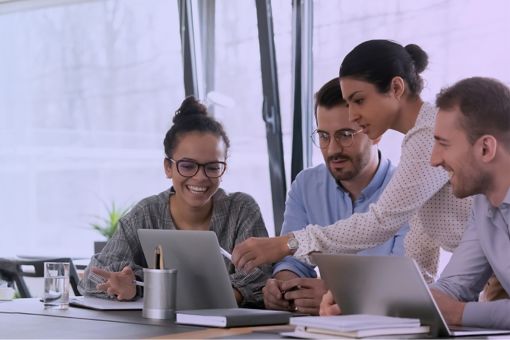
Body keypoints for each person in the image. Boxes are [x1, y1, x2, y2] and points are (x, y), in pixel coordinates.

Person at [232, 40, 472, 284]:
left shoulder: (429, 134)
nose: (353, 115)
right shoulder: (418, 140)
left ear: (396, 88)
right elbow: (420, 252)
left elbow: (381, 222)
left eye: (358, 101)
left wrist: (289, 243)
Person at [79, 96, 271, 307]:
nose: (200, 177)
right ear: (168, 167)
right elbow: (92, 277)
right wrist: (128, 283)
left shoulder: (241, 210)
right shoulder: (146, 213)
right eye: (187, 166)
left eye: (213, 167)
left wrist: (154, 287)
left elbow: (262, 277)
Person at [263, 78, 409, 315]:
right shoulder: (306, 185)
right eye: (323, 136)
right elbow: (293, 259)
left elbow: (405, 280)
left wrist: (339, 294)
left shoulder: (406, 189)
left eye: (345, 135)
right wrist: (284, 286)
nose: (332, 150)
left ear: (375, 133)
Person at [427, 77, 510, 329]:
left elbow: (454, 309)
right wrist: (374, 307)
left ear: (485, 148)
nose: (434, 159)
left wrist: (460, 314)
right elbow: (453, 288)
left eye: (444, 144)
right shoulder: (483, 203)